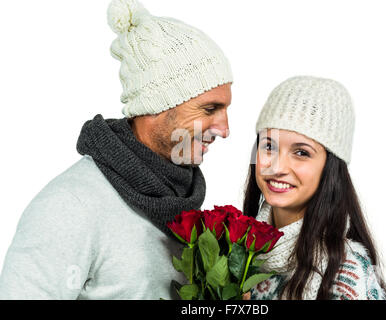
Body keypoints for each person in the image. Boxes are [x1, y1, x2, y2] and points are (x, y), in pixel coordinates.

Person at [0, 0, 232, 299]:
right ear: (156, 105)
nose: (224, 129)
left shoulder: (181, 199)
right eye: (210, 108)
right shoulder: (70, 205)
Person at [243, 76, 386, 300]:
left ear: (330, 167)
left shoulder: (346, 275)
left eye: (301, 152)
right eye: (269, 146)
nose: (277, 166)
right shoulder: (236, 251)